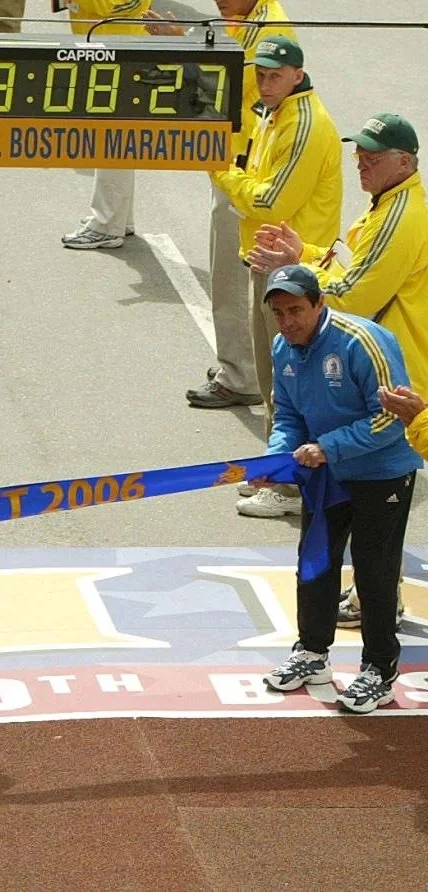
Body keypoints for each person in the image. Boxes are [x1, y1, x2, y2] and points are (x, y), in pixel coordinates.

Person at [247, 113, 428, 624]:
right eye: (360, 154)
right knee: (374, 505)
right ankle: (378, 594)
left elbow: (354, 296)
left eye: (374, 156)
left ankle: (379, 600)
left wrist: (298, 278)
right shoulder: (385, 205)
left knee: (379, 498)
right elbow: (353, 268)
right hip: (388, 368)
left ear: (405, 162)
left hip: (394, 373)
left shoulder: (400, 216)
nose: (362, 163)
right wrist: (304, 255)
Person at [256, 265, 419, 714]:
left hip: (382, 472)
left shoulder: (362, 341)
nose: (287, 322)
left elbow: (390, 418)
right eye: (279, 313)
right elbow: (288, 415)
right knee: (316, 562)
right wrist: (276, 459)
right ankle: (312, 652)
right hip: (326, 473)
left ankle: (379, 669)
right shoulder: (282, 348)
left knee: (374, 570)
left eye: (296, 310)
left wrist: (328, 447)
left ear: (319, 304)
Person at [198, 36, 342, 524]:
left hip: (291, 271)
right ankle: (280, 470)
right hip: (269, 261)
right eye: (260, 74)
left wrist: (221, 172)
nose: (264, 82)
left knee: (289, 384)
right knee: (274, 380)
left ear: (297, 75)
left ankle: (288, 484)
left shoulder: (302, 125)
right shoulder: (274, 114)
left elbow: (269, 201)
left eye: (275, 75)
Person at [149, 2, 296, 417]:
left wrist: (181, 45)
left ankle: (241, 376)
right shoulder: (244, 17)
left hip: (245, 168)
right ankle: (245, 368)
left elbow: (222, 84)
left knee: (232, 275)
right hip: (239, 158)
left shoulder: (268, 29)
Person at [60, 0, 153, 250]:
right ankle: (118, 219)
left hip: (118, 50)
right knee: (114, 138)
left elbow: (114, 5)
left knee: (111, 137)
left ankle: (106, 225)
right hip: (103, 46)